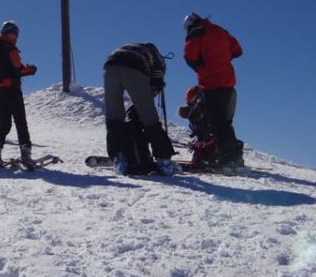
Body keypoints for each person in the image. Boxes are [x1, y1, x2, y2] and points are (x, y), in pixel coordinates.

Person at [103, 42, 178, 175]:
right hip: (134, 67)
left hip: (110, 67)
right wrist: (154, 90)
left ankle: (119, 159)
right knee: (149, 118)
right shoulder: (155, 53)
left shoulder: (131, 47)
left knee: (114, 118)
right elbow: (157, 77)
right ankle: (164, 161)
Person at [182, 12, 244, 172]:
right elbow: (237, 50)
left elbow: (189, 56)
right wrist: (222, 58)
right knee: (224, 121)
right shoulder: (220, 31)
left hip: (211, 82)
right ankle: (233, 157)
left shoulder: (195, 33)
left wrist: (202, 65)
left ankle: (229, 159)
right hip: (228, 81)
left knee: (217, 122)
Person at [0, 21, 37, 169]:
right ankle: (26, 156)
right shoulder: (9, 47)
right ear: (10, 33)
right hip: (12, 90)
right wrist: (30, 70)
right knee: (21, 122)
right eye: (15, 33)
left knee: (4, 123)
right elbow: (17, 69)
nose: (16, 37)